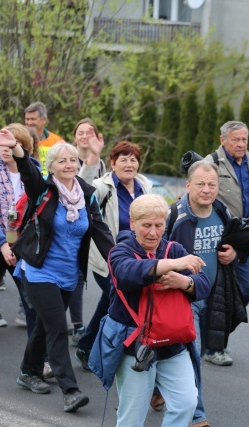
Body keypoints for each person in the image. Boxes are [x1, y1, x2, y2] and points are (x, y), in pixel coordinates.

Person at [0, 131, 114, 412]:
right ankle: (70, 391)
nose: (68, 164)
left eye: (72, 160)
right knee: (57, 328)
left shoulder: (87, 195)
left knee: (44, 326)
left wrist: (118, 263)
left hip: (69, 275)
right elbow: (29, 172)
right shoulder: (43, 189)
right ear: (52, 166)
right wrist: (17, 149)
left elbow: (101, 232)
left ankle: (26, 371)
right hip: (38, 271)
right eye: (62, 161)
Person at [105, 194, 211, 426]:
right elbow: (128, 273)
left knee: (186, 403)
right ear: (132, 223)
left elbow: (203, 284)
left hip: (173, 343)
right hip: (135, 346)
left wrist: (183, 283)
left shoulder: (174, 248)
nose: (153, 232)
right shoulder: (119, 252)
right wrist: (174, 265)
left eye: (159, 225)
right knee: (132, 416)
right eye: (146, 225)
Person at [167, 160, 247, 427]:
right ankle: (197, 415)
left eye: (212, 184)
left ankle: (160, 390)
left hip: (212, 296)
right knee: (193, 353)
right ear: (188, 185)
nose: (206, 189)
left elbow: (240, 238)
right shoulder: (175, 216)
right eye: (200, 184)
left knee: (192, 353)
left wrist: (234, 252)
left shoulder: (221, 211)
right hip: (184, 298)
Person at [74, 141, 152, 371]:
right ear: (113, 163)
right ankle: (90, 346)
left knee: (112, 300)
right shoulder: (103, 186)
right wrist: (91, 158)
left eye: (133, 159)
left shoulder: (144, 185)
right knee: (117, 297)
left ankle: (89, 345)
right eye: (123, 159)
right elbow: (81, 191)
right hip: (106, 257)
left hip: (135, 258)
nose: (129, 164)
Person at [204, 120, 249, 365]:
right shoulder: (209, 163)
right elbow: (200, 200)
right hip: (220, 238)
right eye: (236, 139)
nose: (241, 144)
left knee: (248, 289)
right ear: (223, 140)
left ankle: (213, 335)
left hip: (245, 238)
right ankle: (214, 347)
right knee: (217, 297)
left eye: (244, 139)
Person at [0, 125, 37, 373]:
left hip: (24, 246)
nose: (4, 149)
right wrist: (2, 243)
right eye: (0, 144)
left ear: (22, 147)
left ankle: (39, 359)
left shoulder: (32, 171)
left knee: (34, 304)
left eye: (10, 144)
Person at [68, 118, 108, 346]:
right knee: (72, 275)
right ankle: (75, 325)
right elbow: (79, 188)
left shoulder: (100, 163)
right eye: (80, 132)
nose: (84, 136)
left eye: (89, 132)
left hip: (91, 226)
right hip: (70, 225)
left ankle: (81, 327)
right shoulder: (67, 158)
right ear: (75, 137)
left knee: (82, 276)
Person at [24, 102, 65, 174]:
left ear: (44, 120)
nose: (29, 123)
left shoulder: (57, 141)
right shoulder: (19, 139)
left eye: (33, 119)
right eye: (27, 119)